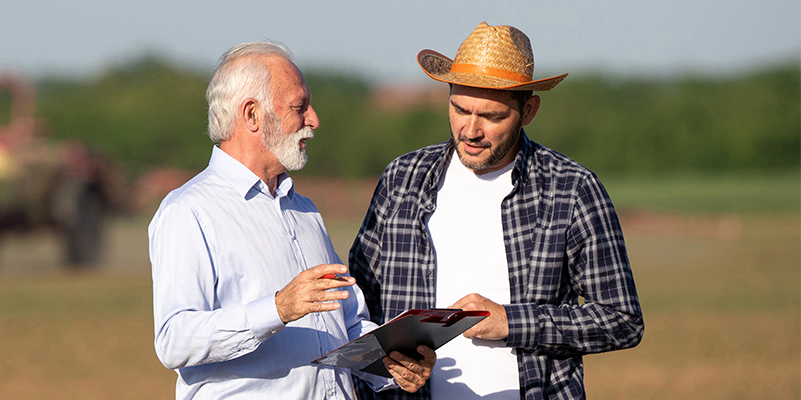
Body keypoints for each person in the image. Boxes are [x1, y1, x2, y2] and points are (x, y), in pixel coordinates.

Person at [348, 22, 644, 400]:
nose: (470, 130)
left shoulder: (572, 188)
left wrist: (510, 322)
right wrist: (386, 367)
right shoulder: (402, 180)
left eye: (490, 116)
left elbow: (622, 321)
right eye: (459, 109)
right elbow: (356, 313)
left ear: (529, 110)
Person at [149, 41, 435, 399]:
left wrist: (390, 365)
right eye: (299, 108)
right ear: (251, 115)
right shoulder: (188, 211)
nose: (314, 120)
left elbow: (345, 324)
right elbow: (175, 340)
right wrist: (278, 308)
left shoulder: (304, 210)